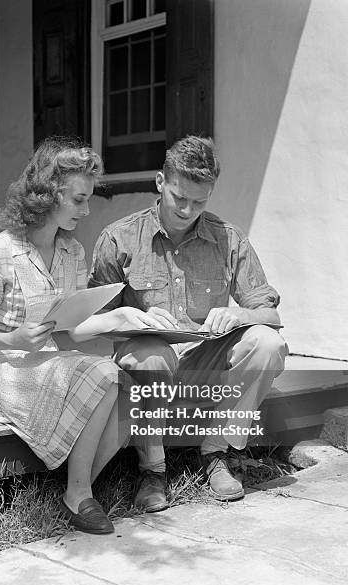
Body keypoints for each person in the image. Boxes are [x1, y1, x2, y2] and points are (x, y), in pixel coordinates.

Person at [0, 136, 163, 535]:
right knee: (103, 375)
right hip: (1, 368)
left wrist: (125, 316)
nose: (87, 209)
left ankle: (79, 487)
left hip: (46, 360)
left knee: (130, 387)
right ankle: (77, 494)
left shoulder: (71, 252)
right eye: (78, 199)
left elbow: (73, 329)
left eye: (89, 199)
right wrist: (12, 340)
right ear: (48, 194)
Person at [88, 135, 288, 511]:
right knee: (151, 357)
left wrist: (242, 315)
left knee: (266, 343)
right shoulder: (119, 238)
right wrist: (135, 318)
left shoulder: (228, 239)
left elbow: (271, 314)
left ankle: (216, 452)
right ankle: (153, 470)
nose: (187, 209)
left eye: (199, 201)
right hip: (147, 369)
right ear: (160, 182)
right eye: (180, 197)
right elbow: (92, 322)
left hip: (204, 367)